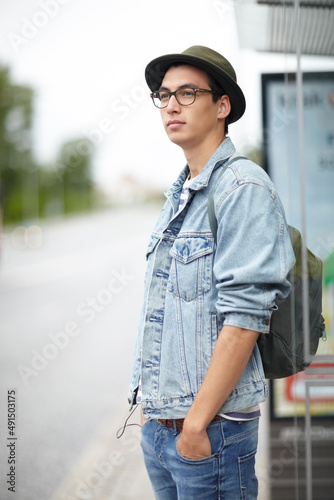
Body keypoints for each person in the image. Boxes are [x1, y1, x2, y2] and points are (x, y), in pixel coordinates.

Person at [128, 45, 295, 499]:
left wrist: (197, 424)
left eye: (187, 92)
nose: (171, 105)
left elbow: (244, 319)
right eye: (163, 95)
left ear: (222, 106)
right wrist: (153, 415)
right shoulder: (181, 193)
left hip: (211, 431)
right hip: (163, 427)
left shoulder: (243, 188)